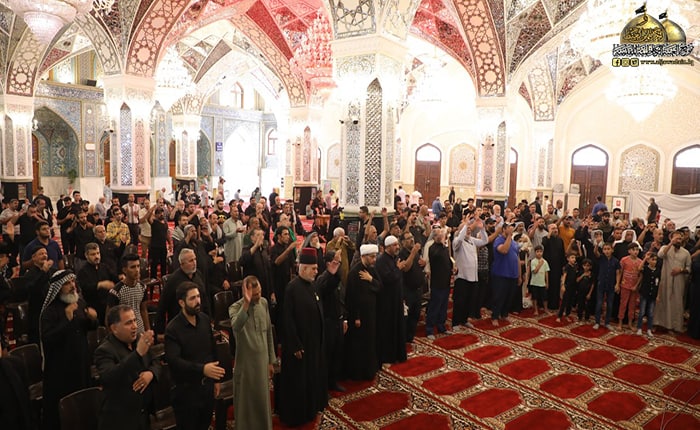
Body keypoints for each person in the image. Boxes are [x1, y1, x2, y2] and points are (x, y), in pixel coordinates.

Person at [40, 270, 98, 430]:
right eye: (67, 283)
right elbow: (48, 339)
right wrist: (67, 319)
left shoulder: (79, 303)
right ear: (58, 288)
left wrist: (93, 319)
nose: (72, 286)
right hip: (61, 369)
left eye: (73, 281)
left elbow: (86, 327)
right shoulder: (50, 312)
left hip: (81, 362)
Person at [165, 282, 225, 430]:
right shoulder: (173, 329)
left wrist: (216, 380)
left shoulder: (204, 319)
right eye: (192, 298)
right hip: (186, 393)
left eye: (198, 296)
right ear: (181, 303)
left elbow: (212, 350)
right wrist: (202, 369)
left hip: (206, 389)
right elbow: (174, 361)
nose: (198, 301)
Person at [278, 248, 327, 427]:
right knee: (298, 382)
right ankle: (297, 416)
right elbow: (287, 320)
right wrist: (295, 345)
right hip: (299, 346)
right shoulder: (292, 288)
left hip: (312, 343)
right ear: (304, 268)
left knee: (311, 378)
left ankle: (310, 410)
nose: (316, 271)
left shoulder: (312, 285)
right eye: (313, 268)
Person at [94, 305, 161, 430]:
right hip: (120, 420)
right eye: (129, 323)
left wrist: (151, 374)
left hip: (143, 416)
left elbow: (156, 361)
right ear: (114, 328)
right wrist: (137, 354)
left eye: (135, 320)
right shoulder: (104, 350)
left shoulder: (139, 340)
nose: (135, 326)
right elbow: (109, 377)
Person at [228, 276, 276, 430]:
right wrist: (247, 303)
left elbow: (268, 333)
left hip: (262, 363)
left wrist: (271, 360)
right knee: (246, 406)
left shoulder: (264, 303)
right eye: (255, 294)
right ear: (245, 292)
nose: (258, 296)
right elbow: (236, 326)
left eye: (259, 292)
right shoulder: (235, 308)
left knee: (262, 402)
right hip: (246, 366)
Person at [156, 248, 209, 336]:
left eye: (195, 259)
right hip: (180, 326)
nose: (194, 263)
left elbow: (205, 299)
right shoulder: (173, 281)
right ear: (182, 264)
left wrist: (208, 319)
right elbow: (162, 305)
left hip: (199, 321)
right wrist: (160, 331)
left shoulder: (198, 275)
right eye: (191, 261)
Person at [374, 235, 407, 364]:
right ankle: (388, 356)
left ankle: (398, 354)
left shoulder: (394, 259)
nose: (397, 247)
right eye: (394, 245)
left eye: (397, 244)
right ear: (387, 247)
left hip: (396, 299)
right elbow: (388, 279)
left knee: (398, 326)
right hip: (387, 302)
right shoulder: (381, 261)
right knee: (388, 329)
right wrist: (398, 269)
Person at [452, 217, 488, 328]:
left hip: (473, 276)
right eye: (465, 229)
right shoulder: (457, 241)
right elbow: (460, 239)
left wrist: (482, 229)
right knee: (460, 301)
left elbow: (485, 241)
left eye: (469, 229)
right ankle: (455, 322)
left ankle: (464, 319)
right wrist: (466, 224)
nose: (468, 230)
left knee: (469, 300)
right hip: (462, 276)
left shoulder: (472, 240)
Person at [655, 230, 691, 333]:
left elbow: (689, 268)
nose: (678, 240)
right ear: (671, 238)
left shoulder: (686, 253)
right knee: (664, 300)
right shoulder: (665, 248)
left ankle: (675, 326)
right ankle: (660, 323)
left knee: (677, 302)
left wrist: (680, 270)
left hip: (679, 281)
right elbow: (660, 255)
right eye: (676, 238)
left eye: (680, 238)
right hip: (666, 279)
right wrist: (671, 243)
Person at [106, 253, 150, 334]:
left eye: (138, 266)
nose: (137, 270)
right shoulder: (116, 292)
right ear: (125, 270)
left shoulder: (142, 287)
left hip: (140, 330)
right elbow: (109, 318)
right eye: (133, 267)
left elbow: (143, 310)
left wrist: (148, 331)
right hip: (124, 333)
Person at [77, 242, 118, 326]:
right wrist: (100, 285)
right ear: (86, 255)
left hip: (108, 304)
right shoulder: (82, 272)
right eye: (93, 254)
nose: (96, 256)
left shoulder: (104, 267)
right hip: (93, 306)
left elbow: (114, 278)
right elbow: (85, 288)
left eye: (98, 253)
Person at [491, 223, 521, 326]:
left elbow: (517, 259)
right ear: (504, 229)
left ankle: (504, 314)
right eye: (509, 227)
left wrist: (519, 275)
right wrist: (508, 236)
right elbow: (504, 250)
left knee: (509, 296)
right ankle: (495, 316)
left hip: (513, 274)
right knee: (499, 297)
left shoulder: (514, 243)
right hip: (501, 274)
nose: (512, 229)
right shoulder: (498, 240)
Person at [426, 228, 453, 338]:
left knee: (443, 306)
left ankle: (441, 326)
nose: (440, 236)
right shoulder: (432, 248)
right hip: (437, 283)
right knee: (435, 307)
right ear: (434, 237)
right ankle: (429, 329)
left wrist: (453, 269)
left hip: (445, 282)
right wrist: (442, 243)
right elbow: (436, 256)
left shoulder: (444, 248)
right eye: (438, 235)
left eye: (441, 234)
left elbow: (448, 261)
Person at [398, 232, 425, 342]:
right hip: (407, 291)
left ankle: (410, 337)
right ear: (403, 242)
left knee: (415, 314)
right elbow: (406, 268)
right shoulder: (402, 254)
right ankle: (403, 339)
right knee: (406, 317)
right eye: (408, 238)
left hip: (418, 289)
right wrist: (413, 253)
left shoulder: (416, 253)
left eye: (412, 237)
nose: (412, 240)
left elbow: (419, 265)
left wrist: (423, 263)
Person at [593, 242, 621, 330]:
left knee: (610, 304)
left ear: (612, 250)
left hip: (611, 284)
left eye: (608, 249)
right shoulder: (601, 258)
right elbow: (595, 252)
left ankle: (607, 322)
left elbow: (618, 273)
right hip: (601, 283)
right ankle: (597, 322)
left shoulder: (616, 261)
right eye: (605, 249)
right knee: (599, 303)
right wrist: (597, 244)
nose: (607, 251)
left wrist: (617, 284)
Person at [617, 243, 643, 330]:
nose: (635, 252)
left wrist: (636, 285)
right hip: (625, 285)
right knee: (623, 304)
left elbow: (641, 275)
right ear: (629, 251)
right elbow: (620, 272)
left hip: (634, 287)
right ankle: (620, 322)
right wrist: (618, 284)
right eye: (633, 250)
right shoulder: (624, 260)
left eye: (637, 250)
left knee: (632, 305)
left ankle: (630, 323)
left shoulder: (640, 262)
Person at [637, 252, 661, 337]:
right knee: (642, 312)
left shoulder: (658, 270)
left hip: (653, 294)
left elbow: (659, 283)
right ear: (649, 260)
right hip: (645, 293)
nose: (654, 261)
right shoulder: (646, 268)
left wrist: (658, 295)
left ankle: (649, 329)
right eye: (652, 259)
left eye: (655, 260)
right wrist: (645, 259)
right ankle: (639, 328)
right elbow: (639, 268)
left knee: (650, 313)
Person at [528, 245, 550, 316]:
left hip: (542, 283)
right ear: (535, 252)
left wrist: (547, 282)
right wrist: (540, 264)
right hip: (534, 283)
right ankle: (536, 310)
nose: (539, 253)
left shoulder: (545, 262)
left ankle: (546, 309)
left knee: (544, 297)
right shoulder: (533, 261)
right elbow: (534, 271)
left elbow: (546, 273)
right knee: (535, 297)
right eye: (537, 251)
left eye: (540, 251)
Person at [557, 252, 579, 322]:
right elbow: (564, 276)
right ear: (568, 259)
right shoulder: (567, 267)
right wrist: (563, 285)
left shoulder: (575, 267)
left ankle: (567, 315)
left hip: (573, 287)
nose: (574, 259)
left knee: (570, 302)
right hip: (567, 286)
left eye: (574, 258)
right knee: (564, 302)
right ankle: (559, 316)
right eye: (572, 257)